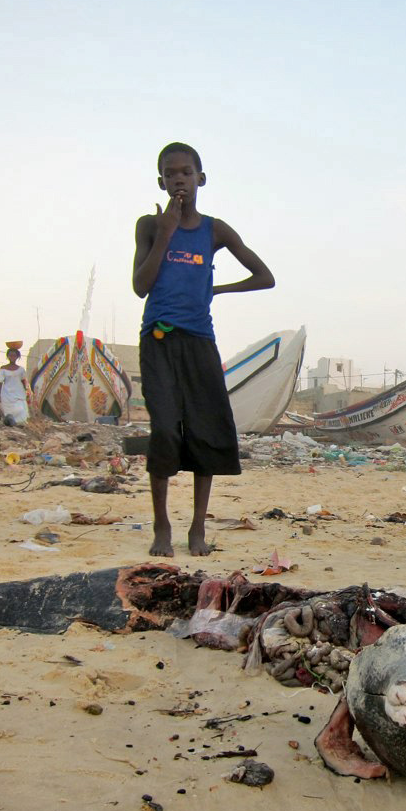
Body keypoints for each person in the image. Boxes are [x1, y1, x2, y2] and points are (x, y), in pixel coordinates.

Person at [133, 142, 274, 558]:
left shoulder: (215, 230)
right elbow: (141, 285)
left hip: (199, 340)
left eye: (186, 172)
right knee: (163, 429)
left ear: (201, 178)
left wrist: (216, 288)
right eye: (171, 173)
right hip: (158, 338)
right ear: (161, 182)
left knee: (205, 430)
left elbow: (264, 276)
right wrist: (166, 233)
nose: (179, 179)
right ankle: (162, 524)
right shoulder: (148, 225)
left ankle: (197, 527)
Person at [0, 347, 31, 426]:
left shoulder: (21, 369)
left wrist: (27, 392)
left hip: (19, 392)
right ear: (7, 356)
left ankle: (19, 423)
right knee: (7, 410)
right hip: (6, 393)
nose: (12, 357)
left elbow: (24, 381)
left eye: (14, 355)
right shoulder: (3, 368)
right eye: (10, 355)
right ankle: (9, 422)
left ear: (17, 357)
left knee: (20, 408)